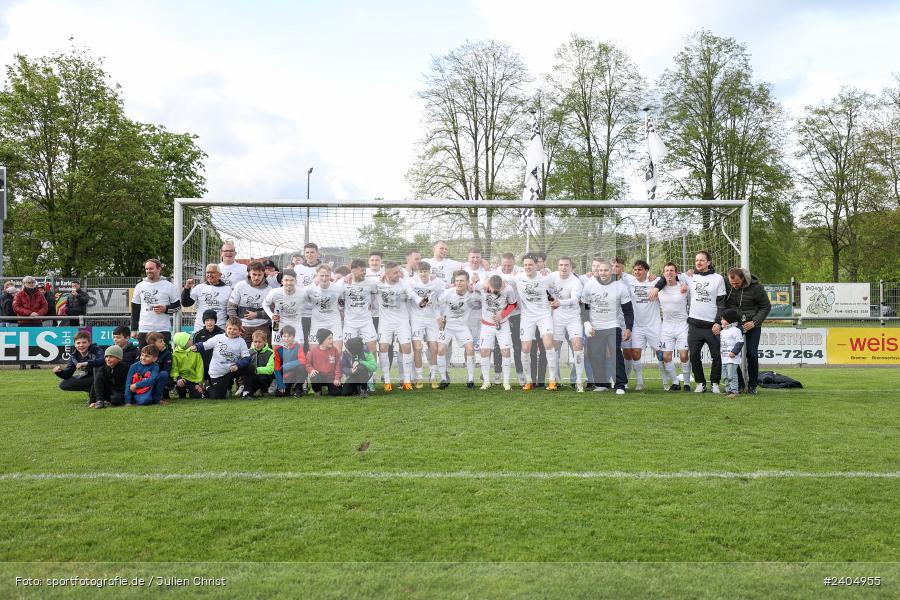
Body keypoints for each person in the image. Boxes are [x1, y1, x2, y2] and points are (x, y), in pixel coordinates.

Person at [656, 251, 727, 394]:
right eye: (696, 260)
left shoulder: (718, 278)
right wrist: (657, 286)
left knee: (716, 356)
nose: (698, 263)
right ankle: (700, 383)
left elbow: (721, 303)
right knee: (693, 356)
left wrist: (718, 322)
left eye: (702, 260)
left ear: (709, 262)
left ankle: (714, 383)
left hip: (712, 325)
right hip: (694, 324)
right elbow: (668, 276)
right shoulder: (689, 277)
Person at [581, 259, 634, 394]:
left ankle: (620, 385)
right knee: (595, 355)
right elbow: (584, 307)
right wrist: (587, 323)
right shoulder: (589, 285)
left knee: (615, 352)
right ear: (597, 271)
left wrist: (628, 328)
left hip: (613, 325)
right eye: (600, 270)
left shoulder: (620, 287)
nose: (603, 273)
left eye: (605, 270)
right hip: (595, 327)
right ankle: (602, 384)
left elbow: (628, 310)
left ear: (611, 271)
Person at [512, 253, 559, 391]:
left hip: (544, 315)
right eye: (525, 265)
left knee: (548, 344)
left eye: (530, 264)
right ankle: (528, 381)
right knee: (525, 348)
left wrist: (554, 300)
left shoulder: (545, 277)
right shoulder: (518, 277)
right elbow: (503, 281)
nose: (528, 267)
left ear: (536, 265)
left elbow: (560, 282)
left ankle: (552, 380)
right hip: (527, 317)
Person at [618, 260, 666, 391]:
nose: (637, 272)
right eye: (635, 270)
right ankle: (639, 382)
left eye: (640, 269)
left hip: (654, 325)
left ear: (646, 270)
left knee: (660, 353)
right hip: (637, 325)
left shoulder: (654, 281)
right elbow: (617, 270)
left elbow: (669, 277)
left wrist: (658, 279)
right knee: (635, 352)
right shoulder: (629, 280)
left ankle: (665, 380)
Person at [724, 267, 771, 395]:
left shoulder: (757, 288)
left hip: (752, 324)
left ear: (743, 279)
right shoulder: (726, 283)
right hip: (734, 324)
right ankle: (738, 384)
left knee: (752, 354)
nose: (734, 286)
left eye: (737, 283)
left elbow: (766, 306)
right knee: (731, 353)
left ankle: (752, 385)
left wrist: (755, 321)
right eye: (731, 283)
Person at [375, 262, 420, 391]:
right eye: (395, 272)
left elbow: (413, 295)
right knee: (383, 348)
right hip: (385, 322)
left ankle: (406, 381)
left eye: (399, 271)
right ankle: (387, 381)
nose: (399, 274)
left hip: (402, 321)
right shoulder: (377, 283)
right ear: (387, 273)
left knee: (406, 348)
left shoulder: (403, 283)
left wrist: (424, 301)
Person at [436, 270, 480, 389]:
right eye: (457, 281)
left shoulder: (473, 294)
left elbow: (484, 295)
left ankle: (470, 379)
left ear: (467, 282)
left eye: (461, 281)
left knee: (470, 349)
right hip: (447, 325)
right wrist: (438, 317)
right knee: (440, 350)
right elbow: (435, 304)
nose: (459, 283)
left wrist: (476, 283)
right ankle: (444, 379)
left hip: (462, 326)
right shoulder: (448, 293)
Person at [191, 317, 253, 399]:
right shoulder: (218, 338)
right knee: (217, 396)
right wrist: (196, 347)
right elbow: (205, 345)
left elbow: (247, 358)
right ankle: (207, 385)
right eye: (230, 328)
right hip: (218, 372)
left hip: (233, 369)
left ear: (239, 330)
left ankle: (246, 392)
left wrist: (237, 365)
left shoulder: (241, 341)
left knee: (250, 367)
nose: (232, 331)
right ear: (225, 328)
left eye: (235, 329)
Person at [476, 274, 519, 390]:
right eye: (492, 290)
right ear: (488, 284)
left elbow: (513, 304)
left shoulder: (508, 289)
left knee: (505, 351)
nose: (495, 292)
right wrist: (476, 281)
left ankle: (506, 382)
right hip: (486, 325)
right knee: (484, 351)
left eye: (498, 290)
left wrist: (502, 315)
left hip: (503, 325)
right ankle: (486, 382)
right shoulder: (482, 285)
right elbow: (471, 286)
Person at [549, 257, 585, 392]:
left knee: (578, 346)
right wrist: (550, 300)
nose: (563, 268)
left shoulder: (576, 282)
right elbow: (543, 289)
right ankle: (553, 380)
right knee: (554, 348)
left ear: (571, 267)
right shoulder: (552, 277)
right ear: (558, 266)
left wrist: (560, 303)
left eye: (566, 265)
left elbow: (575, 300)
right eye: (561, 265)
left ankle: (579, 381)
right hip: (557, 318)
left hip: (573, 318)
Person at [408, 261, 446, 388]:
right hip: (416, 319)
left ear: (430, 272)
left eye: (425, 271)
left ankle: (433, 376)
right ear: (417, 273)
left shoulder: (438, 283)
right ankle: (419, 377)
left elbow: (442, 299)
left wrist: (439, 316)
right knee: (417, 348)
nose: (423, 274)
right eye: (421, 272)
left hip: (432, 320)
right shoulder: (411, 282)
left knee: (434, 348)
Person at [655, 263, 692, 392]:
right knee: (666, 356)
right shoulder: (659, 288)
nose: (669, 273)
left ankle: (687, 383)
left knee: (683, 356)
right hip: (666, 326)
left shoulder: (683, 287)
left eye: (671, 270)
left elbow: (691, 277)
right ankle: (675, 383)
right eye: (666, 270)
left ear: (676, 273)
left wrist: (687, 278)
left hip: (682, 325)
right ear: (663, 273)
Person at [130, 259, 180, 348]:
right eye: (146, 269)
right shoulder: (139, 286)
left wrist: (165, 309)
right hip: (144, 330)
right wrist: (133, 329)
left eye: (151, 268)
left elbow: (177, 307)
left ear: (159, 269)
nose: (148, 271)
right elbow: (135, 309)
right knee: (145, 359)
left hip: (163, 329)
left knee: (163, 359)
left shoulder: (168, 286)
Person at [228, 261, 272, 347]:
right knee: (243, 355)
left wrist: (256, 314)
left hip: (262, 327)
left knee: (265, 355)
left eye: (259, 275)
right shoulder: (240, 286)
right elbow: (231, 307)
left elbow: (272, 312)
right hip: (244, 327)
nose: (256, 277)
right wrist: (237, 325)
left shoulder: (269, 290)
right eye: (254, 274)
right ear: (249, 274)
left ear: (264, 275)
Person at [302, 264, 345, 352]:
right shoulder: (310, 289)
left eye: (327, 276)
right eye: (321, 276)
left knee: (337, 351)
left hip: (334, 323)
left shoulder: (338, 288)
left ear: (330, 276)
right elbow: (298, 296)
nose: (324, 278)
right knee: (314, 352)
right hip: (317, 323)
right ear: (316, 276)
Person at [53, 330, 104, 401]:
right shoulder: (74, 356)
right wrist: (59, 372)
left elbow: (102, 360)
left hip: (102, 377)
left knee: (96, 378)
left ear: (89, 343)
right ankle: (93, 391)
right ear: (75, 344)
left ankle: (97, 393)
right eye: (78, 343)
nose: (81, 345)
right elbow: (67, 374)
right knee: (63, 384)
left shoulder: (96, 349)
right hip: (88, 377)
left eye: (84, 342)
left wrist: (87, 363)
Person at [264, 268, 306, 349]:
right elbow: (265, 304)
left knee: (299, 349)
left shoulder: (303, 293)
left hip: (296, 322)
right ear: (282, 281)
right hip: (278, 323)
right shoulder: (274, 292)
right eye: (286, 280)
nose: (289, 283)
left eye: (291, 280)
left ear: (295, 281)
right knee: (276, 349)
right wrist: (271, 315)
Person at [181, 264, 231, 331]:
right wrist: (187, 288)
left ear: (220, 275)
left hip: (220, 328)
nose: (209, 275)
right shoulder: (199, 288)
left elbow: (231, 310)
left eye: (212, 272)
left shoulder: (228, 290)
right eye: (208, 272)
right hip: (200, 328)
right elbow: (185, 303)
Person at [13, 276, 49, 369]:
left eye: (32, 282)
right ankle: (22, 363)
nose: (31, 283)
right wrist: (30, 313)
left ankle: (35, 363)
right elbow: (16, 307)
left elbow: (45, 306)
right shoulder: (19, 294)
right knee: (22, 344)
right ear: (24, 284)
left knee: (36, 343)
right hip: (23, 322)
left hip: (36, 322)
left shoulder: (40, 294)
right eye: (29, 282)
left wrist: (37, 314)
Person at [306, 328, 342, 396]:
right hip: (319, 377)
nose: (332, 340)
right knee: (314, 376)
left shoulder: (334, 350)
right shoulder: (313, 351)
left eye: (332, 338)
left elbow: (338, 366)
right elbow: (308, 364)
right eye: (329, 338)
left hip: (331, 378)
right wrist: (311, 370)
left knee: (336, 393)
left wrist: (337, 378)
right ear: (322, 340)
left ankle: (331, 389)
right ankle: (317, 391)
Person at [274, 324, 307, 396]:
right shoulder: (278, 349)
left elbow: (303, 360)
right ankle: (288, 388)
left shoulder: (298, 346)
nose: (286, 338)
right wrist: (280, 384)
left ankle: (298, 388)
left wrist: (286, 366)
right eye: (284, 336)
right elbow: (276, 369)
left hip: (296, 373)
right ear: (281, 337)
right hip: (286, 375)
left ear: (293, 337)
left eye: (289, 336)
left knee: (302, 367)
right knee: (280, 394)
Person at [719, 309, 746, 399]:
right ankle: (728, 390)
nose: (721, 321)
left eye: (723, 319)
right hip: (724, 358)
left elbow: (740, 342)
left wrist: (734, 352)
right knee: (725, 375)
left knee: (732, 375)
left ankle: (734, 391)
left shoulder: (736, 330)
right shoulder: (722, 331)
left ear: (730, 319)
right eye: (721, 319)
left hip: (732, 358)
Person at [192, 310, 223, 384]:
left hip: (218, 365)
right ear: (204, 321)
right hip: (203, 365)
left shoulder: (222, 333)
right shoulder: (198, 335)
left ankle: (227, 387)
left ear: (215, 321)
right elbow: (194, 350)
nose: (209, 322)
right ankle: (203, 384)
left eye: (212, 320)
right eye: (207, 320)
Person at [171, 332, 205, 399]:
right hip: (182, 378)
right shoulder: (175, 354)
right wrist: (178, 378)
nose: (192, 340)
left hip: (194, 379)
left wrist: (199, 382)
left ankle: (202, 389)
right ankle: (181, 393)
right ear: (183, 342)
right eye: (189, 339)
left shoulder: (195, 351)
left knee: (197, 396)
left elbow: (200, 368)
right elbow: (174, 368)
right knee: (181, 384)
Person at [243, 329, 275, 397]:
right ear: (252, 342)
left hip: (265, 377)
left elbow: (270, 369)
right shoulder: (249, 352)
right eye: (255, 342)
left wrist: (256, 370)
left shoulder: (271, 353)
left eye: (260, 342)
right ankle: (248, 390)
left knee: (262, 378)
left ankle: (264, 389)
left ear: (265, 342)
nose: (257, 344)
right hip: (251, 377)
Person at [146, 332, 173, 403]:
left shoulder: (167, 353)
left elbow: (167, 370)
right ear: (153, 344)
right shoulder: (144, 353)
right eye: (160, 342)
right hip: (147, 378)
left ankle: (158, 397)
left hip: (160, 378)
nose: (163, 343)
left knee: (164, 374)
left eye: (163, 341)